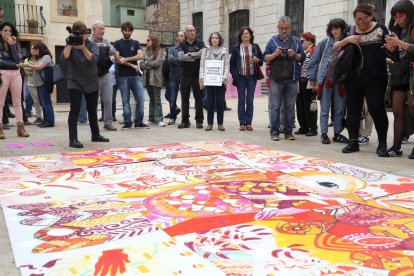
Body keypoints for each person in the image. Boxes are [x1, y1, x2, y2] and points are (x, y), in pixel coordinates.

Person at [335, 3, 389, 156]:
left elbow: (390, 49)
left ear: (370, 16)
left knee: (376, 109)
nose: (359, 22)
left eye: (362, 18)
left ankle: (382, 143)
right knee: (352, 111)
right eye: (356, 19)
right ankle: (353, 142)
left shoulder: (380, 29)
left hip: (376, 79)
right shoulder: (350, 30)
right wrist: (348, 40)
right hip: (353, 79)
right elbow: (335, 47)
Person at [62, 20, 109, 148]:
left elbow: (93, 59)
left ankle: (96, 135)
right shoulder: (70, 43)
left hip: (91, 80)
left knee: (92, 110)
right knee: (75, 109)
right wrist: (71, 43)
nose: (81, 33)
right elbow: (64, 57)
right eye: (78, 31)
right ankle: (73, 139)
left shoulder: (92, 44)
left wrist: (82, 46)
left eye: (83, 30)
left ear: (87, 32)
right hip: (75, 81)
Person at [308, 18, 349, 145]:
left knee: (340, 109)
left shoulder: (347, 44)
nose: (335, 31)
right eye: (332, 28)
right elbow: (314, 61)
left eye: (337, 28)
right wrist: (313, 79)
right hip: (326, 79)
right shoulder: (324, 43)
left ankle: (337, 134)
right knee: (325, 108)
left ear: (342, 29)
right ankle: (324, 133)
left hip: (341, 80)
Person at [264, 16, 305, 141]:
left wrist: (295, 54)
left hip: (292, 79)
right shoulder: (272, 41)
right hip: (276, 79)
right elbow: (265, 58)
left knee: (290, 107)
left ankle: (288, 132)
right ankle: (274, 132)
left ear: (290, 28)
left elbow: (302, 58)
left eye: (286, 28)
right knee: (275, 106)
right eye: (281, 28)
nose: (284, 31)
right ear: (278, 28)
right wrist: (275, 54)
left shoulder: (297, 41)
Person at [384, 0, 414, 158]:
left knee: (412, 109)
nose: (397, 19)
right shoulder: (397, 31)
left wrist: (400, 43)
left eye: (401, 15)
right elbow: (397, 57)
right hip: (400, 74)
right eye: (395, 17)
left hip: (412, 76)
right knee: (397, 111)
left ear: (409, 14)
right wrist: (391, 50)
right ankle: (396, 147)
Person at [114, 21, 149, 130]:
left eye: (129, 30)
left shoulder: (136, 42)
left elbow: (140, 56)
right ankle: (128, 122)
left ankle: (138, 122)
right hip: (123, 76)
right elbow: (118, 59)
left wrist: (127, 59)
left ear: (132, 31)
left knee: (141, 99)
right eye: (125, 30)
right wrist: (132, 65)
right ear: (122, 30)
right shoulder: (117, 43)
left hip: (135, 76)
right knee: (125, 100)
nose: (127, 32)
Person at [230, 27, 263, 132]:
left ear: (250, 35)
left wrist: (257, 60)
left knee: (249, 100)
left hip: (251, 77)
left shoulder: (255, 47)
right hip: (240, 77)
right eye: (243, 34)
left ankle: (248, 122)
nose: (245, 35)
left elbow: (261, 61)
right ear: (240, 36)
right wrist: (235, 76)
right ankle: (242, 122)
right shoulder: (236, 47)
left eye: (247, 33)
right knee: (241, 100)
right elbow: (232, 64)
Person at [0, 22, 29, 139]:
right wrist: (15, 64)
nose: (8, 33)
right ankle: (0, 128)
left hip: (16, 74)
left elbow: (19, 60)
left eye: (10, 31)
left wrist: (12, 45)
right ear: (0, 31)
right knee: (0, 102)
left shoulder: (14, 43)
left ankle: (20, 127)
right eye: (5, 30)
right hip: (2, 73)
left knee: (18, 101)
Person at [199, 32, 229, 131]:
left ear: (219, 39)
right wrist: (202, 77)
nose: (214, 39)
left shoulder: (224, 50)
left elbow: (226, 66)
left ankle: (220, 123)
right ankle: (210, 123)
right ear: (210, 40)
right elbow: (202, 65)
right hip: (209, 80)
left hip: (220, 81)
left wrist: (224, 78)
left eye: (216, 38)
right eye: (212, 38)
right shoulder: (206, 50)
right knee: (209, 102)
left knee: (220, 102)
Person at [177, 25, 205, 129]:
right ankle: (185, 121)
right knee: (185, 99)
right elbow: (180, 57)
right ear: (186, 33)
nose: (192, 32)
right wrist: (195, 56)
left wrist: (189, 55)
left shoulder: (200, 43)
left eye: (193, 30)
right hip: (185, 75)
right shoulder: (182, 44)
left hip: (198, 75)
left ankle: (199, 121)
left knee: (199, 99)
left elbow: (202, 54)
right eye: (190, 31)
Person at [90, 20, 117, 131]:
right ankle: (94, 124)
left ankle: (108, 123)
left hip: (106, 73)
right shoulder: (89, 41)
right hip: (93, 75)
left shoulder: (105, 41)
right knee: (94, 101)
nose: (102, 31)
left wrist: (106, 50)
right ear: (94, 30)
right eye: (100, 29)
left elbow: (113, 50)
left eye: (103, 29)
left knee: (108, 100)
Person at [22, 42, 55, 128]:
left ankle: (50, 121)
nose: (35, 51)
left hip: (44, 83)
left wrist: (27, 64)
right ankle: (45, 120)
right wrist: (25, 66)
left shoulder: (46, 57)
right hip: (40, 84)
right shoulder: (41, 58)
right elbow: (35, 67)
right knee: (43, 103)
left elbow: (38, 67)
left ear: (41, 49)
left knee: (46, 103)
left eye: (36, 49)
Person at [295, 32, 318, 136]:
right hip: (299, 82)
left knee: (310, 106)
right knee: (300, 106)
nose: (300, 43)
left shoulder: (315, 50)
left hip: (310, 82)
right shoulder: (302, 52)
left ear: (310, 41)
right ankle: (303, 127)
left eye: (302, 41)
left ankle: (313, 128)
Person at [141, 35, 165, 127]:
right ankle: (151, 118)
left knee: (157, 99)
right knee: (151, 99)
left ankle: (159, 119)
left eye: (148, 40)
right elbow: (141, 65)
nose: (147, 42)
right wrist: (149, 64)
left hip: (156, 79)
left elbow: (157, 63)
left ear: (153, 41)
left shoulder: (159, 51)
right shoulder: (145, 51)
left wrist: (147, 63)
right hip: (147, 78)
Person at [166, 31, 185, 125]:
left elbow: (188, 60)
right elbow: (170, 59)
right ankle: (173, 117)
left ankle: (185, 119)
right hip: (173, 77)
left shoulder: (186, 48)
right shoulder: (171, 49)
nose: (183, 37)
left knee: (184, 98)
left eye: (184, 36)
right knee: (172, 98)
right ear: (176, 38)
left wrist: (177, 60)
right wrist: (181, 59)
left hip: (184, 76)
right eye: (181, 36)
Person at [23, 45, 43, 124]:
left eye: (35, 49)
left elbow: (41, 70)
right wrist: (36, 68)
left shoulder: (41, 59)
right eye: (32, 49)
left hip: (40, 82)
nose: (34, 50)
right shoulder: (26, 60)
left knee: (39, 100)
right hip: (31, 82)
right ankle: (38, 116)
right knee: (33, 99)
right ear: (30, 50)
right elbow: (27, 72)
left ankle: (40, 116)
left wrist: (31, 68)